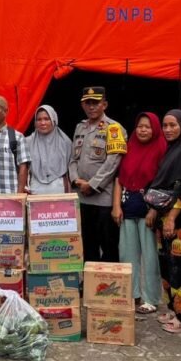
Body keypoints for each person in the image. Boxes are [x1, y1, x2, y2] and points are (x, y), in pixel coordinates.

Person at [148, 109, 181, 333]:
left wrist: (171, 218)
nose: (168, 130)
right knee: (168, 266)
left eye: (173, 125)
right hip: (164, 218)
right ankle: (173, 308)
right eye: (165, 126)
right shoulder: (172, 150)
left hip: (179, 222)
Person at [112, 112, 167, 315]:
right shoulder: (129, 147)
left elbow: (163, 183)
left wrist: (155, 209)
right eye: (140, 126)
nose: (143, 130)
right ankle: (131, 294)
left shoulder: (161, 148)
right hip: (127, 210)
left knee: (150, 256)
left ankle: (150, 297)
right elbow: (119, 178)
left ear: (155, 129)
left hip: (148, 213)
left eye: (148, 127)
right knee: (127, 254)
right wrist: (116, 206)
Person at [69, 86, 127, 262]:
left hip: (103, 199)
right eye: (87, 103)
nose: (91, 107)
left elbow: (113, 163)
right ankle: (90, 284)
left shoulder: (114, 128)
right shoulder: (80, 127)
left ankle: (109, 284)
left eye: (95, 103)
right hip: (81, 198)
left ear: (105, 105)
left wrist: (92, 185)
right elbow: (73, 159)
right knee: (87, 245)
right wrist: (75, 179)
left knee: (109, 245)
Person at [25, 105, 72, 194]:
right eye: (39, 119)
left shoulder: (65, 142)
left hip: (60, 190)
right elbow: (24, 168)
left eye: (46, 119)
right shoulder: (28, 142)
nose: (43, 123)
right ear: (35, 122)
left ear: (54, 120)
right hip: (35, 190)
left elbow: (72, 166)